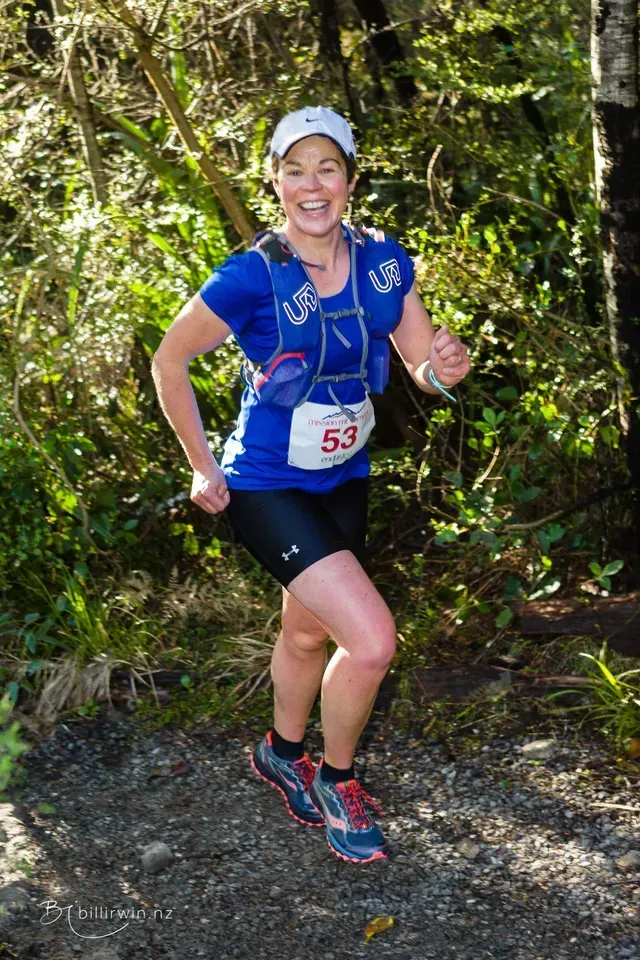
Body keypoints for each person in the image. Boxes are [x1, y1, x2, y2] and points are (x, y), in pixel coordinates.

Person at [152, 105, 470, 864]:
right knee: (371, 641)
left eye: (326, 167)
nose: (312, 184)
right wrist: (202, 464)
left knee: (305, 630)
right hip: (264, 482)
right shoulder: (251, 275)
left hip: (343, 474)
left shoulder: (385, 262)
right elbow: (171, 361)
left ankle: (280, 752)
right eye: (295, 170)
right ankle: (337, 780)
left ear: (350, 180)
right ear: (276, 183)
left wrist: (442, 371)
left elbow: (422, 363)